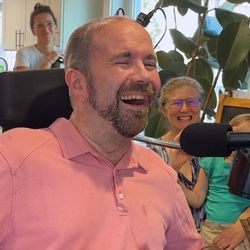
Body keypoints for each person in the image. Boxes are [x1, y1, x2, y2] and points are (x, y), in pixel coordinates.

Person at [0, 16, 205, 249]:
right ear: (78, 83)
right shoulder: (12, 159)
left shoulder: (160, 174)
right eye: (123, 62)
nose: (144, 76)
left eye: (150, 64)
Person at [180, 113, 250, 249]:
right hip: (210, 229)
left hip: (242, 231)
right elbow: (197, 198)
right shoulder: (211, 160)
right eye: (236, 138)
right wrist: (174, 179)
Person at [148, 76, 206, 230]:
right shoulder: (151, 153)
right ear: (163, 109)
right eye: (177, 103)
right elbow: (148, 203)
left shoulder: (215, 149)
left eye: (192, 101)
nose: (185, 109)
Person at [14, 3, 63, 70]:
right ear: (33, 31)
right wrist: (49, 62)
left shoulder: (64, 54)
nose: (46, 30)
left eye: (50, 24)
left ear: (56, 27)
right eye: (40, 26)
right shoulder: (24, 53)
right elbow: (24, 80)